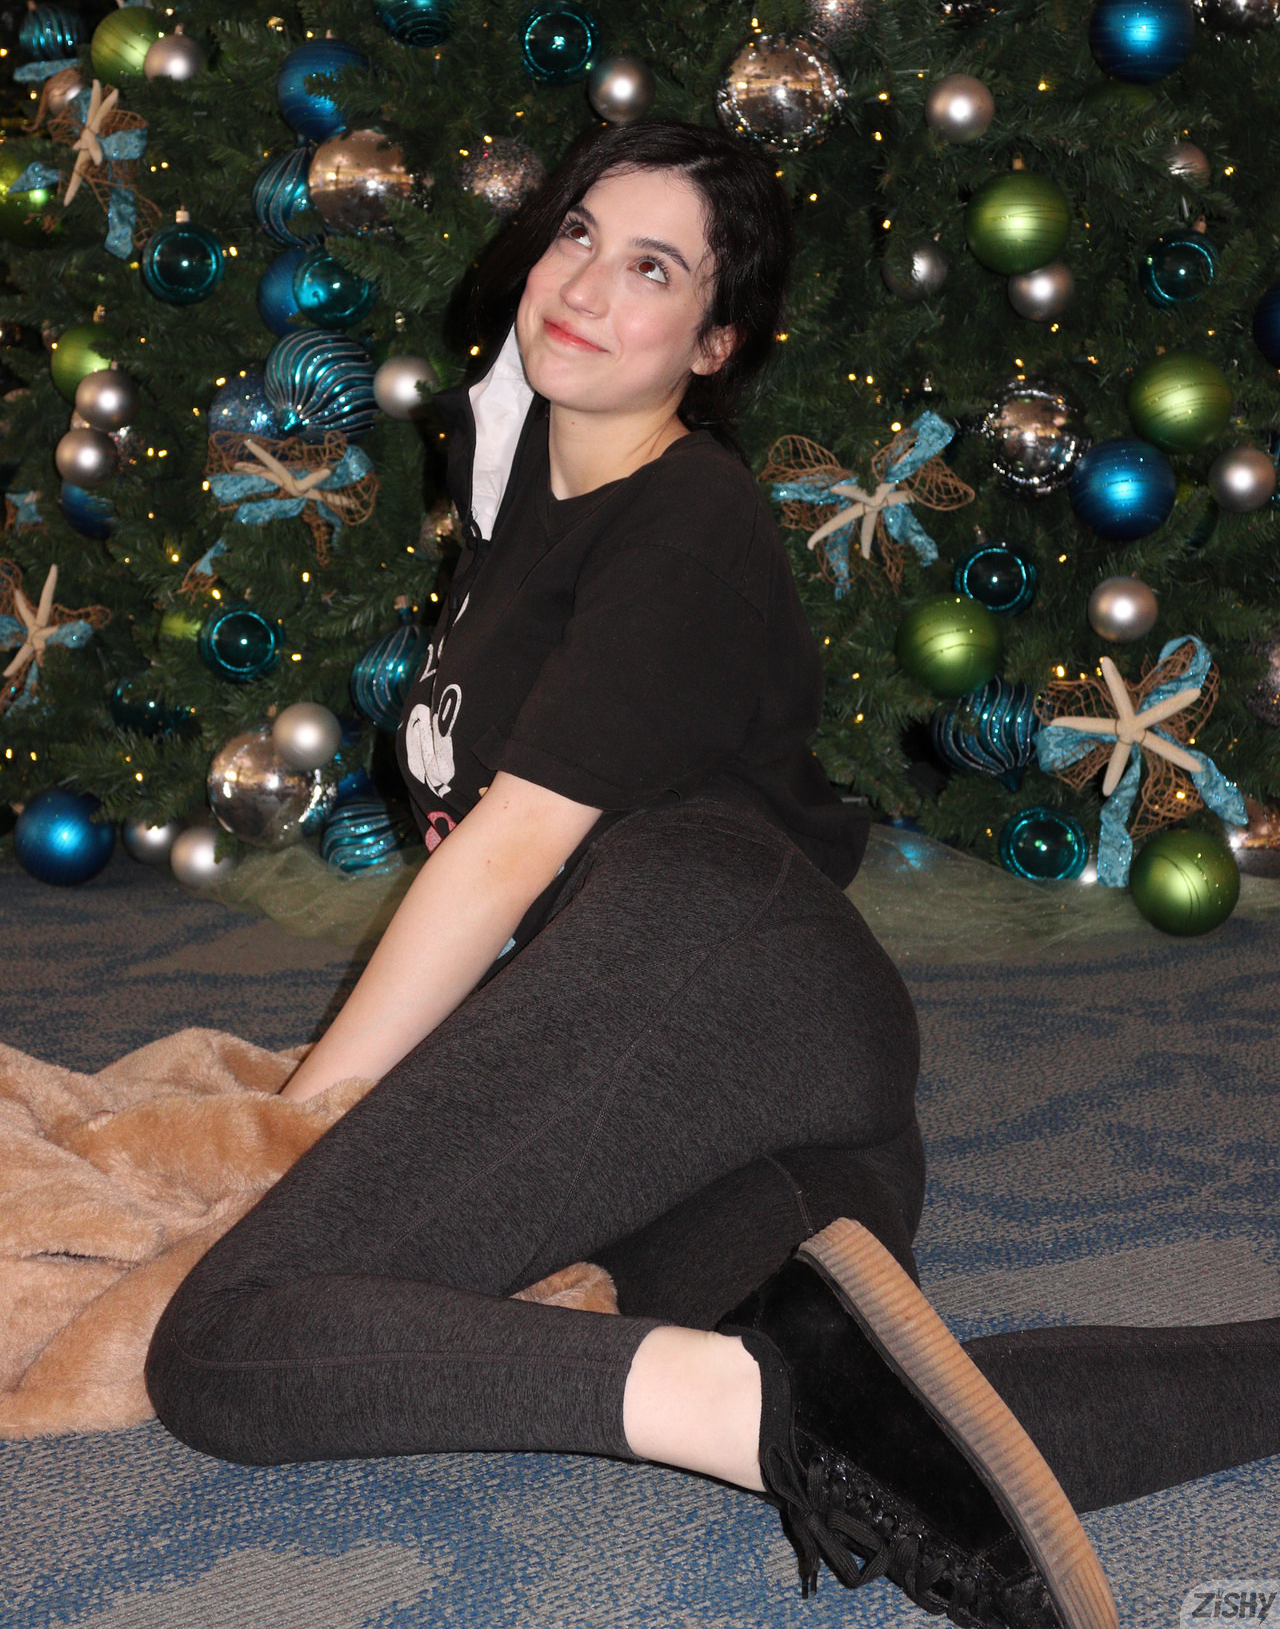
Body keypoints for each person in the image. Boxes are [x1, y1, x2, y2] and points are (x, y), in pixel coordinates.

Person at [146, 120, 1279, 1629]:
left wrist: (304, 1120)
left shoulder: (687, 520)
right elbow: (501, 427)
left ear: (714, 341)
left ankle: (727, 1402)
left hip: (707, 960)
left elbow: (511, 851)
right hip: (733, 1064)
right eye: (577, 234)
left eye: (654, 269)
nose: (586, 286)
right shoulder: (520, 469)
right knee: (875, 1417)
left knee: (221, 1347)